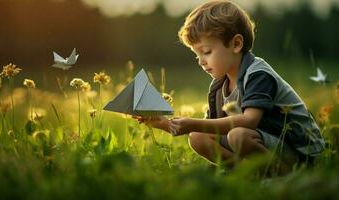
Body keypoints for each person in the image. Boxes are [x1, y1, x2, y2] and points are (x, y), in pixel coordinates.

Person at [134, 0, 325, 174]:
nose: (201, 61)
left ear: (236, 44)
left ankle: (283, 176)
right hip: (264, 145)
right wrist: (161, 123)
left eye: (206, 51)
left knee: (238, 135)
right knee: (197, 137)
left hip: (299, 151)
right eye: (196, 55)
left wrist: (192, 122)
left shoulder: (258, 75)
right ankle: (246, 173)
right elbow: (209, 128)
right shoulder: (218, 86)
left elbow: (249, 121)